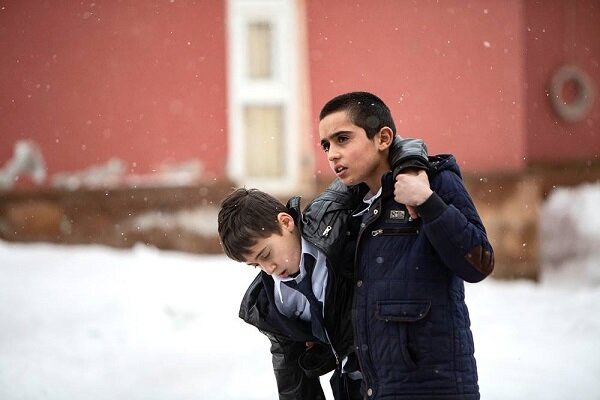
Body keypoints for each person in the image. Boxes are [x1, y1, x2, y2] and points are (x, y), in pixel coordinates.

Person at [307, 91, 494, 399]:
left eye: (343, 139)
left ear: (383, 138)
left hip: (432, 388)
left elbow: (479, 263)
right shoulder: (344, 211)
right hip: (367, 388)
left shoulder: (434, 182)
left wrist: (428, 203)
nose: (332, 154)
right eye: (326, 145)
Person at [218, 140, 429, 400]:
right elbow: (292, 378)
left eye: (266, 254)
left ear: (285, 223)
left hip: (403, 368)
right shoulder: (273, 303)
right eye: (256, 265)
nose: (268, 269)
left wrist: (410, 169)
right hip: (352, 386)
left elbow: (388, 148)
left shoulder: (329, 215)